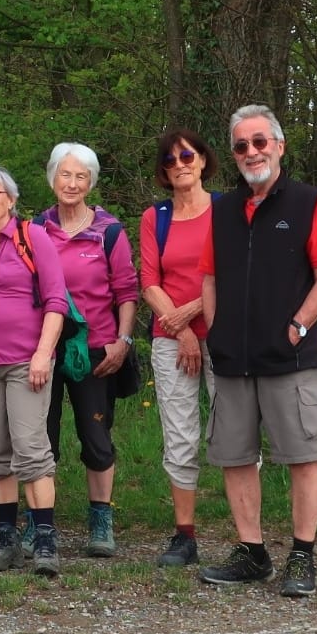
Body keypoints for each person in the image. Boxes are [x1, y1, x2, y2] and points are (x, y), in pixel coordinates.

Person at [198, 104, 317, 597]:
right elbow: (210, 277)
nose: (251, 152)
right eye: (241, 145)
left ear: (279, 145)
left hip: (289, 359)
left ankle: (301, 555)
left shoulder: (309, 203)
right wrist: (215, 332)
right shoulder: (219, 210)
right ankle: (252, 552)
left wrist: (298, 327)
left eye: (260, 142)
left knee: (303, 456)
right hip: (232, 361)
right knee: (235, 457)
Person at [0, 166, 67, 577]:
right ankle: (5, 539)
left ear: (10, 199)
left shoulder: (34, 238)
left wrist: (43, 354)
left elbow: (56, 302)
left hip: (27, 363)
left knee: (31, 450)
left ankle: (44, 540)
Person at [34, 143, 139, 558]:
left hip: (97, 350)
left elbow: (127, 292)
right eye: (65, 175)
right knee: (40, 439)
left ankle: (101, 519)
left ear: (91, 183)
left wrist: (123, 342)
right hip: (45, 349)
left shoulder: (109, 232)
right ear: (52, 178)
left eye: (81, 176)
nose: (72, 183)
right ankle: (39, 525)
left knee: (96, 436)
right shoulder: (36, 229)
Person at [140, 128, 219, 566]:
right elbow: (149, 282)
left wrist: (190, 314)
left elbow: (234, 276)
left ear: (203, 160)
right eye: (170, 161)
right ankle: (184, 536)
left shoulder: (227, 211)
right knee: (180, 435)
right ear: (163, 173)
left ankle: (251, 535)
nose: (180, 164)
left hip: (225, 336)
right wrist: (183, 330)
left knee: (233, 432)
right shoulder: (157, 218)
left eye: (187, 156)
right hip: (171, 341)